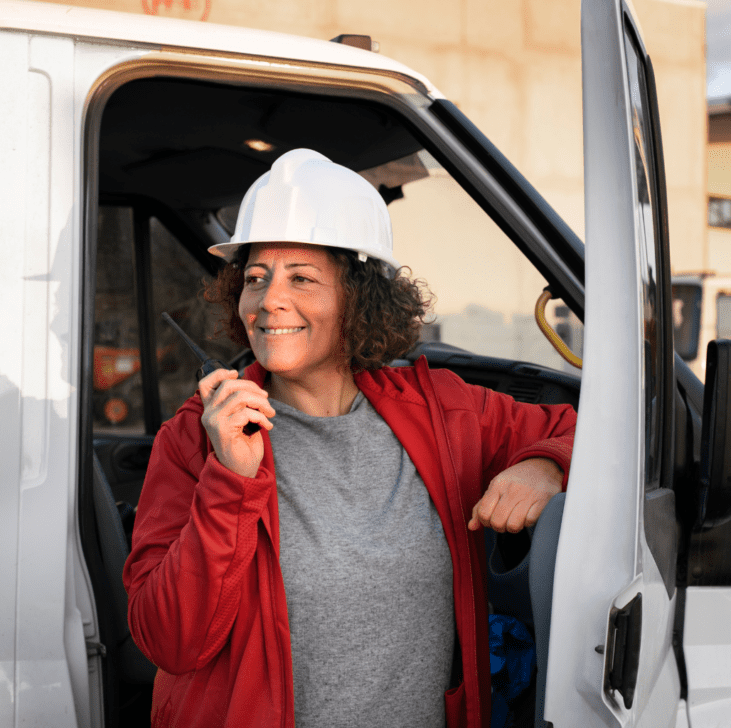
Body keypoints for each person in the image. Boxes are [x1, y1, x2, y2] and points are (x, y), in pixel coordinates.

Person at [122, 149, 576, 728]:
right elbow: (169, 641)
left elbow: (586, 431)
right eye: (255, 279)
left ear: (358, 298)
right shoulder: (196, 436)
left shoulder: (441, 409)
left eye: (301, 279)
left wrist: (545, 465)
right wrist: (229, 482)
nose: (268, 301)